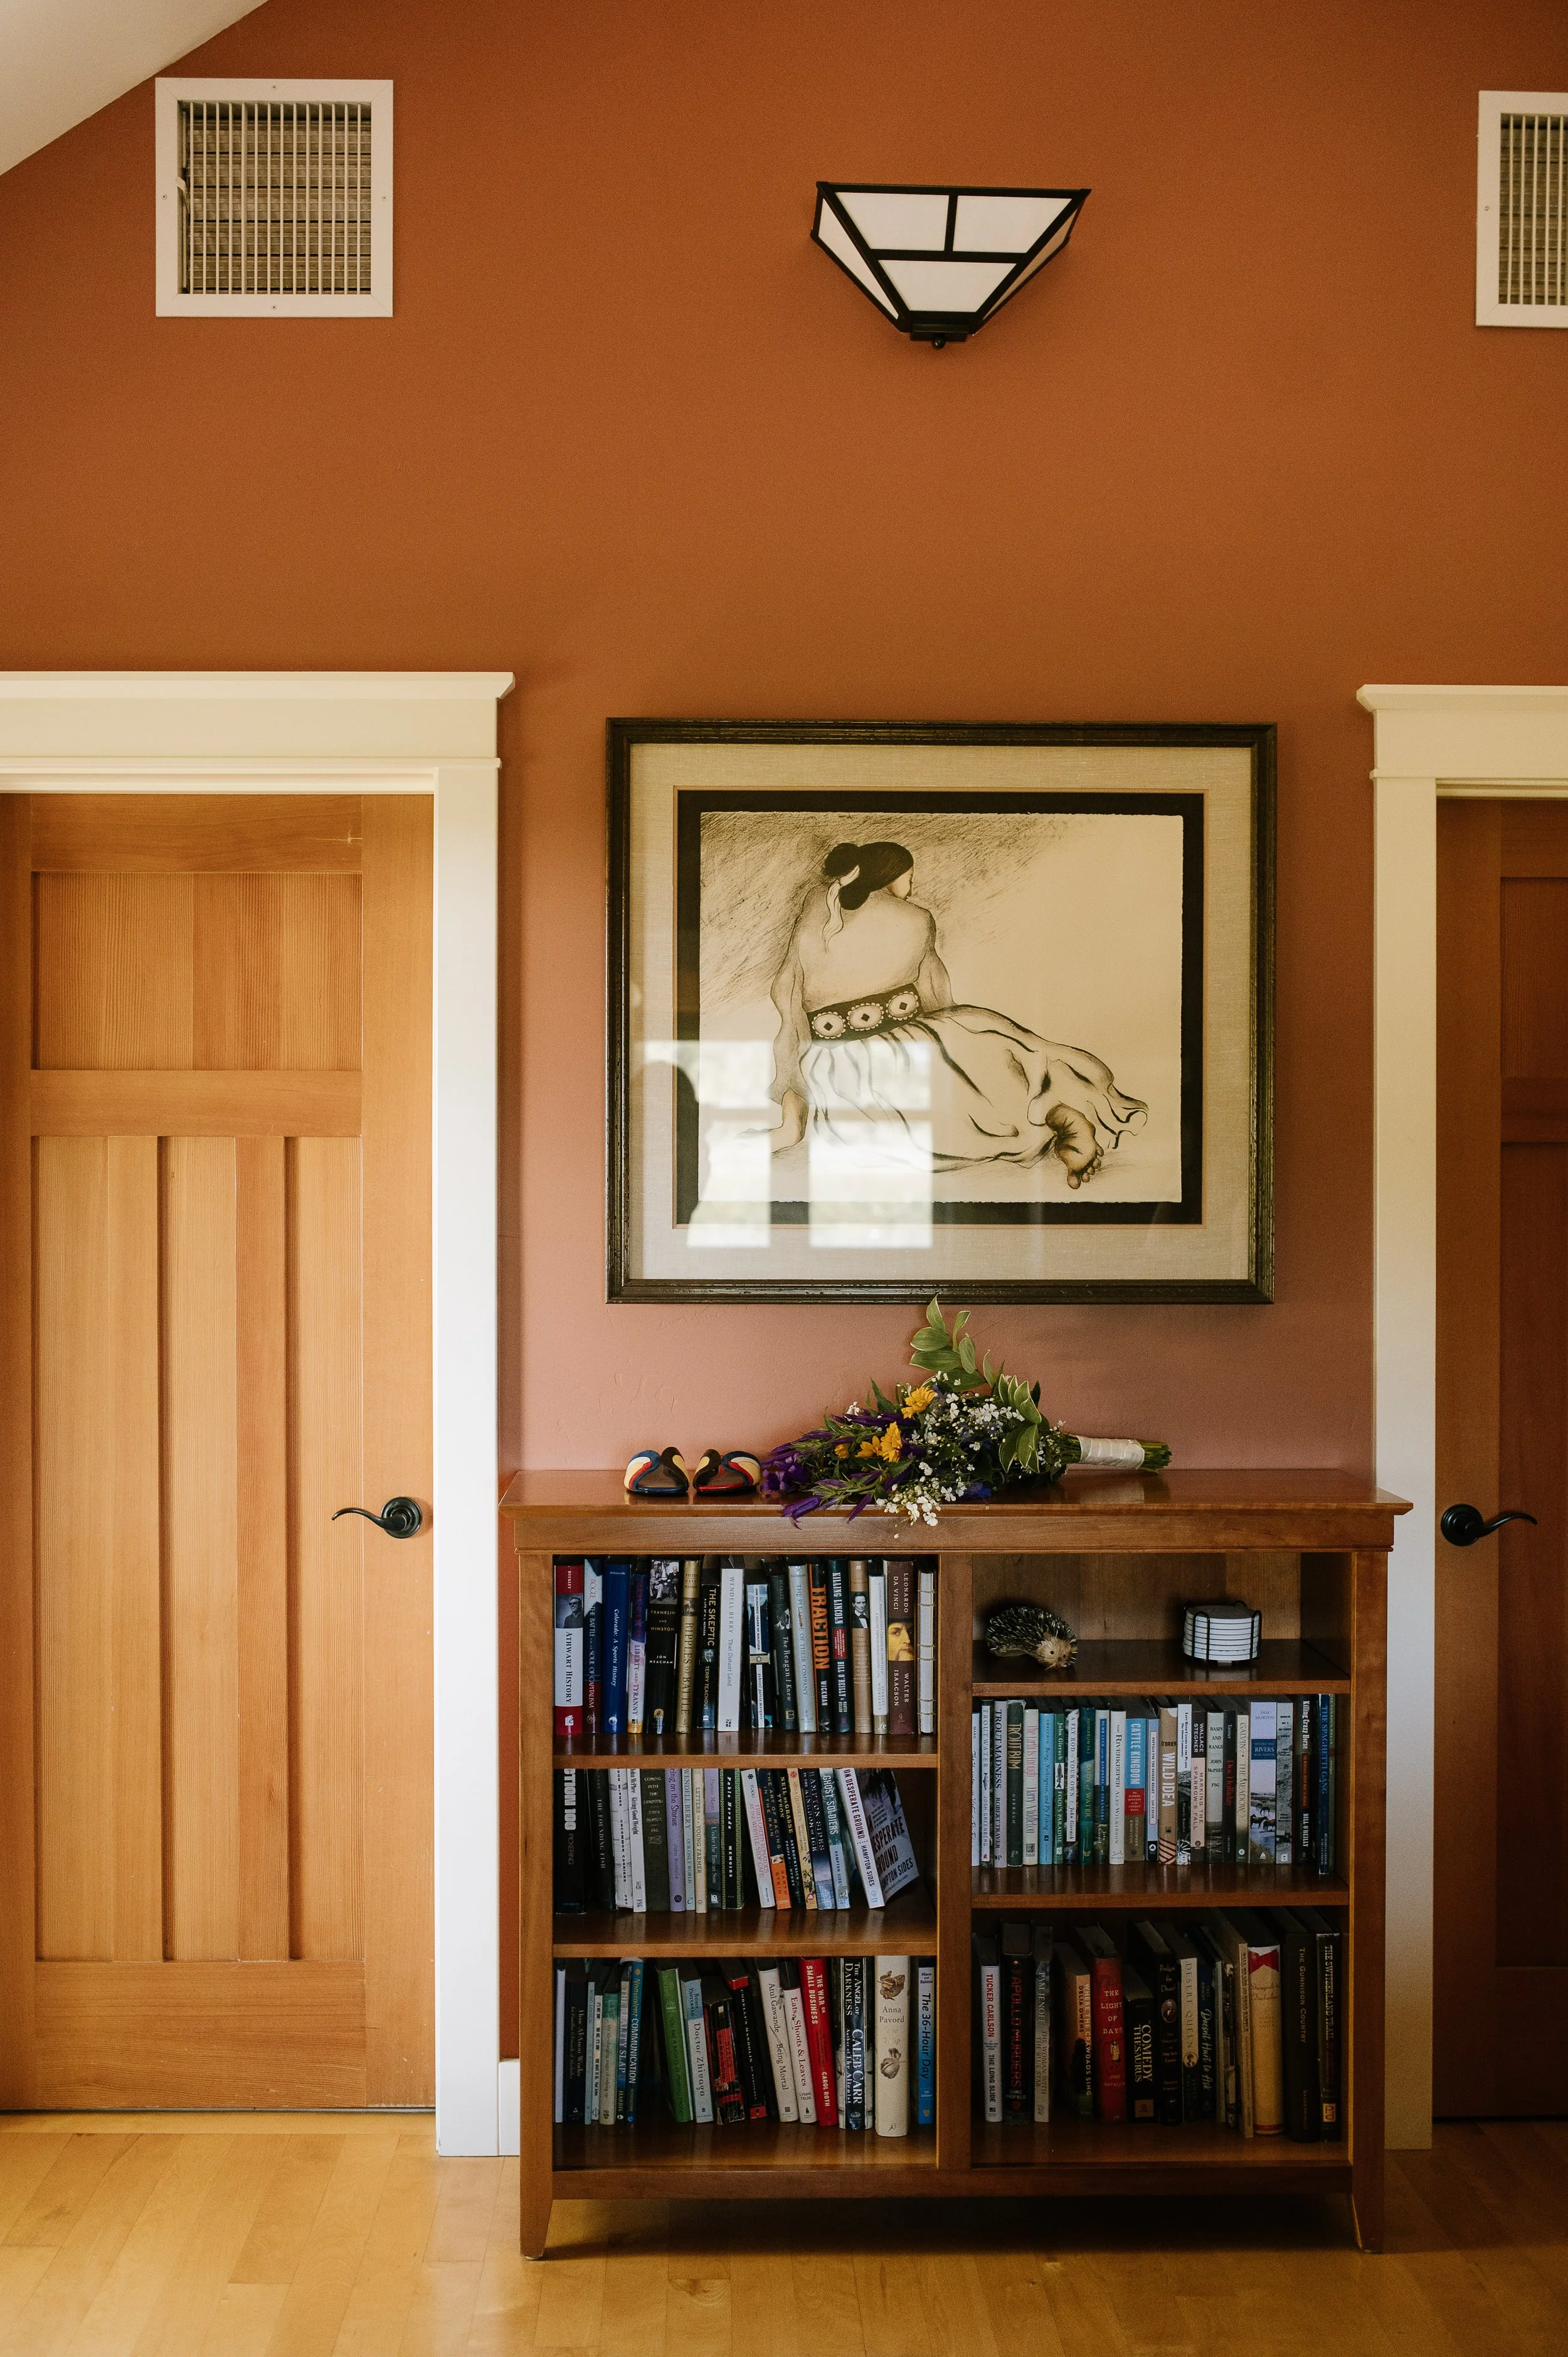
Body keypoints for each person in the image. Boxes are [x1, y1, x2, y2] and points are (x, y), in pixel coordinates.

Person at [767, 839, 1145, 1185]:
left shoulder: (817, 905)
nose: (911, 888)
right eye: (909, 877)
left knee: (908, 1134)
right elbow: (938, 996)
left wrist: (792, 1102)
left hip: (838, 1062)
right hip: (913, 1040)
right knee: (985, 1065)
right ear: (891, 876)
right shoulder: (917, 920)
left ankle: (1041, 1123)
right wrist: (953, 1048)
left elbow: (787, 998)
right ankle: (1051, 1113)